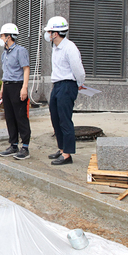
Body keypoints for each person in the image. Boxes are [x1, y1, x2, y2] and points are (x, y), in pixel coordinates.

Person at [43, 16, 86, 165]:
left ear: (55, 33)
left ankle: (67, 154)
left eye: (49, 31)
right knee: (55, 118)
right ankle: (61, 149)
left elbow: (78, 69)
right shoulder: (55, 47)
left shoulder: (70, 47)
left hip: (67, 85)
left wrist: (80, 83)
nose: (47, 34)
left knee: (65, 120)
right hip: (57, 85)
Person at [0, 23, 31, 160]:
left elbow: (26, 69)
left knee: (20, 116)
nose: (0, 37)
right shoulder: (4, 53)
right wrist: (2, 87)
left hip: (18, 86)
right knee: (9, 117)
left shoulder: (20, 51)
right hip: (7, 86)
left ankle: (25, 147)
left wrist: (25, 87)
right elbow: (5, 72)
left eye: (2, 35)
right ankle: (13, 144)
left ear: (9, 37)